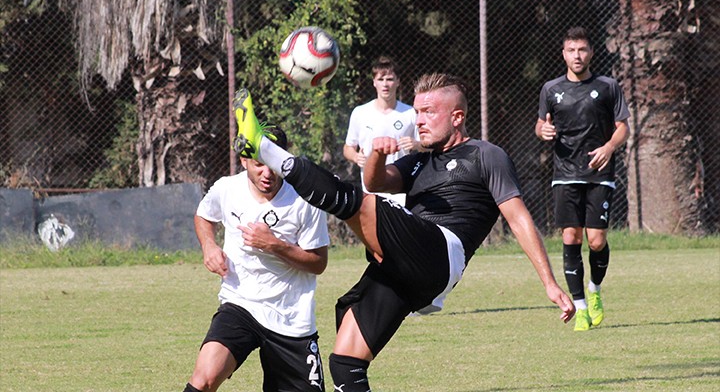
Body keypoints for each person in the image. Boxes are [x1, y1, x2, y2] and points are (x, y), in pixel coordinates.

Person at [232, 74, 574, 391]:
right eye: (417, 111)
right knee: (345, 362)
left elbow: (518, 218)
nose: (419, 119)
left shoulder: (486, 155)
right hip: (405, 264)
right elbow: (376, 181)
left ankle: (264, 148)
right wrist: (378, 155)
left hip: (441, 250)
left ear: (456, 117)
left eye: (428, 112)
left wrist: (549, 282)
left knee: (356, 201)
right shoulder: (418, 160)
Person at [184, 126, 331, 392]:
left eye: (274, 163)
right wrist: (209, 246)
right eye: (258, 165)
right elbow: (204, 215)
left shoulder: (305, 199)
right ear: (243, 161)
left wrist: (275, 245)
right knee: (204, 378)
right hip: (240, 304)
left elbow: (318, 263)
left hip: (291, 318)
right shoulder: (227, 188)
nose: (267, 173)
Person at [535, 26, 630, 331]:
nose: (577, 56)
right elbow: (541, 125)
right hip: (564, 175)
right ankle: (581, 307)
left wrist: (609, 147)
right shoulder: (551, 89)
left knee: (596, 239)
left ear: (591, 53)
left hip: (599, 173)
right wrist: (543, 131)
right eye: (571, 50)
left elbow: (623, 128)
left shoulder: (607, 86)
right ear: (563, 54)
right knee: (570, 237)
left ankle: (595, 289)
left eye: (582, 50)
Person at [343, 56, 419, 206]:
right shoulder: (360, 113)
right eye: (381, 79)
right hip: (370, 189)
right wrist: (355, 157)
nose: (385, 84)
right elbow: (348, 148)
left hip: (400, 188)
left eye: (390, 79)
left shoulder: (410, 113)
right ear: (374, 82)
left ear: (398, 82)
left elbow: (424, 146)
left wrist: (416, 144)